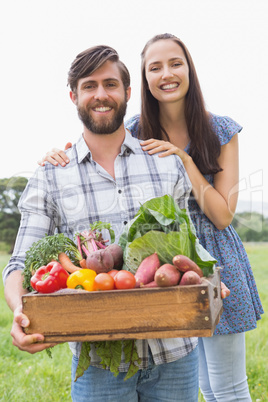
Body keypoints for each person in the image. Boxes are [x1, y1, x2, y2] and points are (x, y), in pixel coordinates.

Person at [41, 34, 264, 401]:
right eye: (154, 67)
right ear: (142, 81)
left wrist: (185, 160)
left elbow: (223, 216)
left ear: (189, 69)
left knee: (227, 386)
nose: (167, 74)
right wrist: (61, 154)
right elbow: (96, 147)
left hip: (212, 259)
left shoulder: (220, 129)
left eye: (175, 63)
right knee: (199, 383)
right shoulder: (134, 129)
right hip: (155, 261)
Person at [3, 44, 203, 402]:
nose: (101, 95)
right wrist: (20, 311)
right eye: (89, 86)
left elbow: (188, 247)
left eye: (110, 84)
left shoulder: (163, 162)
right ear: (73, 96)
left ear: (127, 93)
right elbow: (19, 263)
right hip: (99, 362)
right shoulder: (50, 177)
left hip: (176, 354)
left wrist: (207, 277)